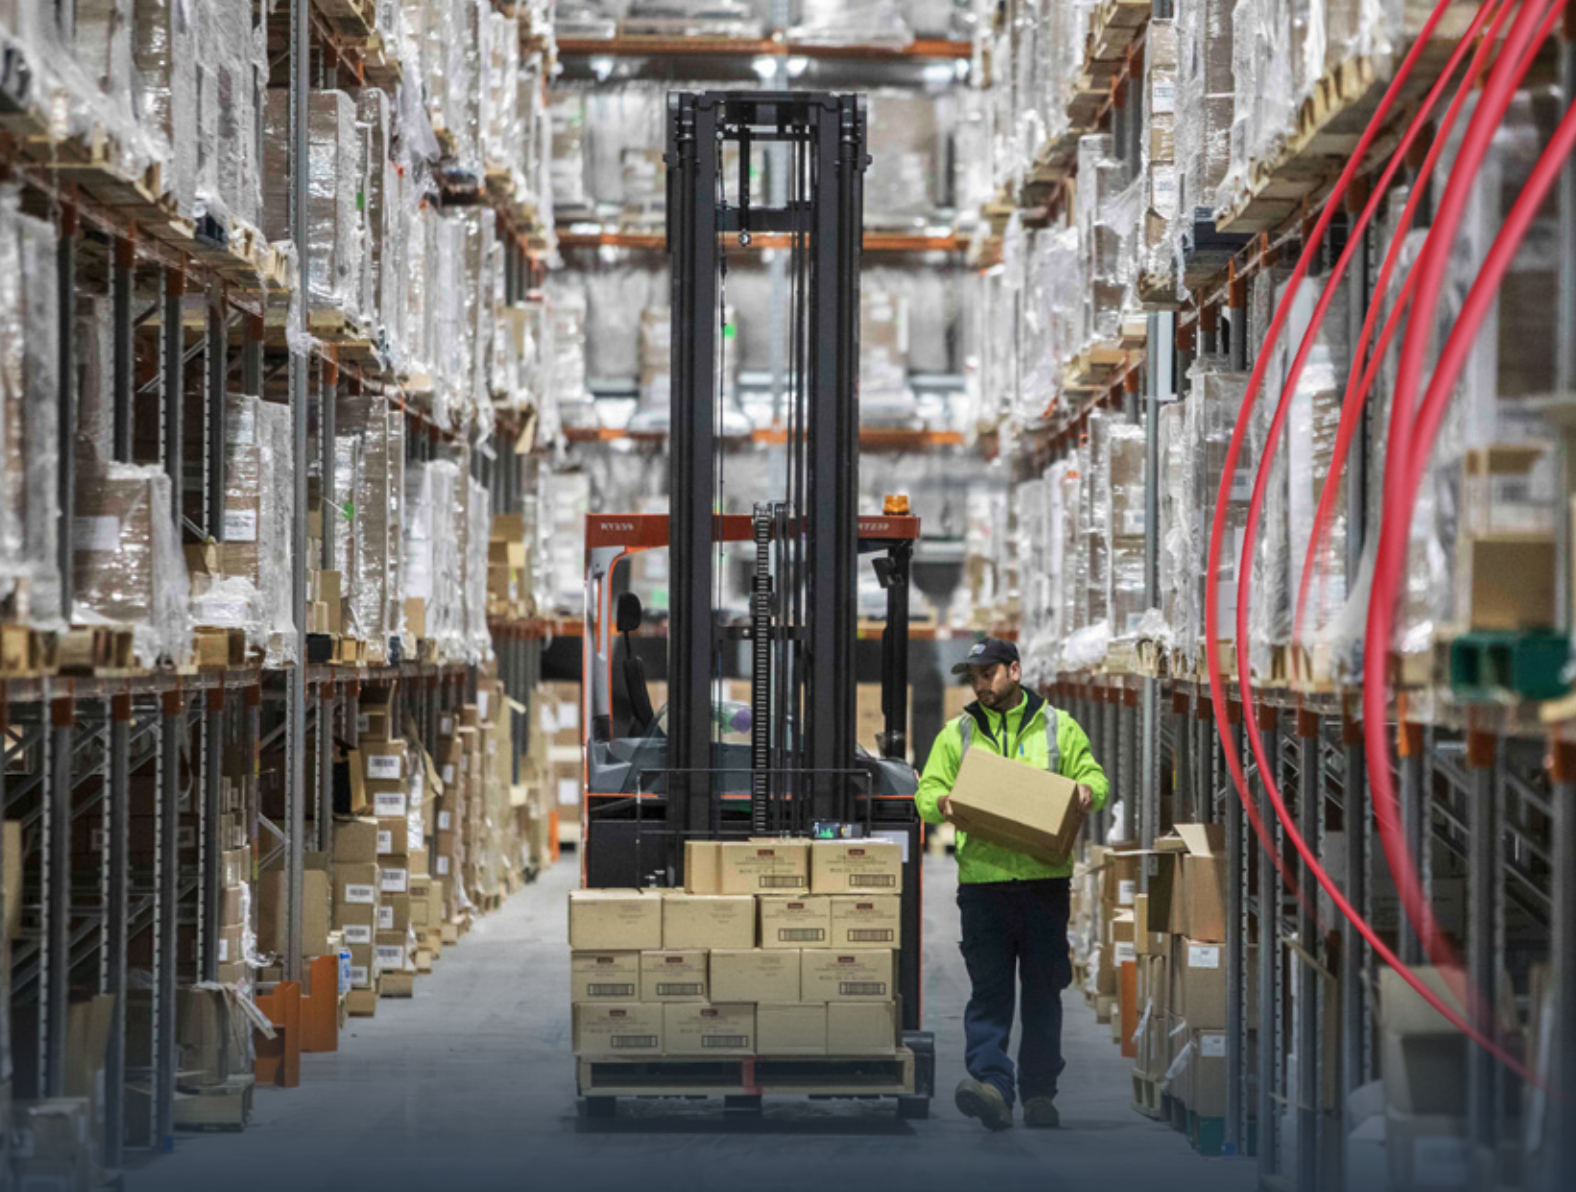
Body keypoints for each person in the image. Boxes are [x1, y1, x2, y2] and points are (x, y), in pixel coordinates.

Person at [914, 637, 1109, 1132]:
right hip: (984, 885)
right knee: (990, 992)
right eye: (974, 677)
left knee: (1043, 993)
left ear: (1015, 671)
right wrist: (942, 805)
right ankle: (992, 1087)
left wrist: (1087, 791)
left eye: (988, 673)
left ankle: (1040, 1093)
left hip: (1043, 884)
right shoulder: (956, 734)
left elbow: (1094, 776)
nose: (980, 684)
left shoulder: (1057, 727)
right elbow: (928, 789)